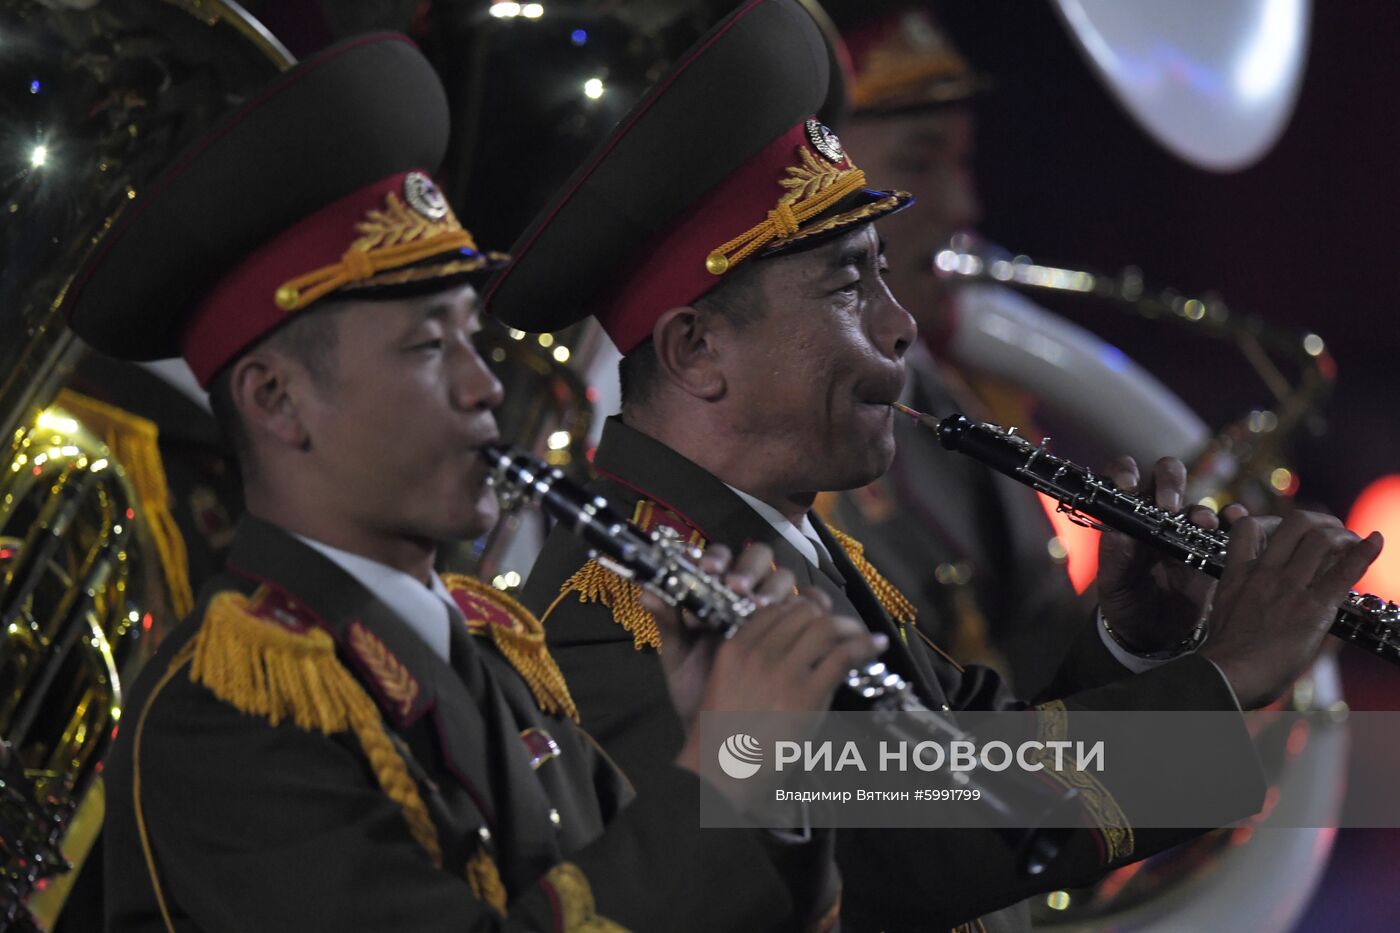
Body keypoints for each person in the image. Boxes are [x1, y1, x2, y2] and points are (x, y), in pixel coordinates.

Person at [484, 1, 1382, 930]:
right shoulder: (618, 609)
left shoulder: (814, 555)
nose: (899, 325)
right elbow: (913, 837)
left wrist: (1136, 640)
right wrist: (1231, 677)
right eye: (846, 285)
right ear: (696, 350)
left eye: (882, 272)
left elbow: (977, 765)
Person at [65, 33, 883, 932]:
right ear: (277, 400)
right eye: (428, 347)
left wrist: (736, 753)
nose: (483, 384)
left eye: (471, 338)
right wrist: (736, 767)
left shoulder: (493, 654)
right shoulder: (224, 712)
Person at [817, 2, 1088, 695]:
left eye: (961, 161)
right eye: (921, 161)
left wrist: (1141, 628)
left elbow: (1031, 668)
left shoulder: (959, 398)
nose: (963, 205)